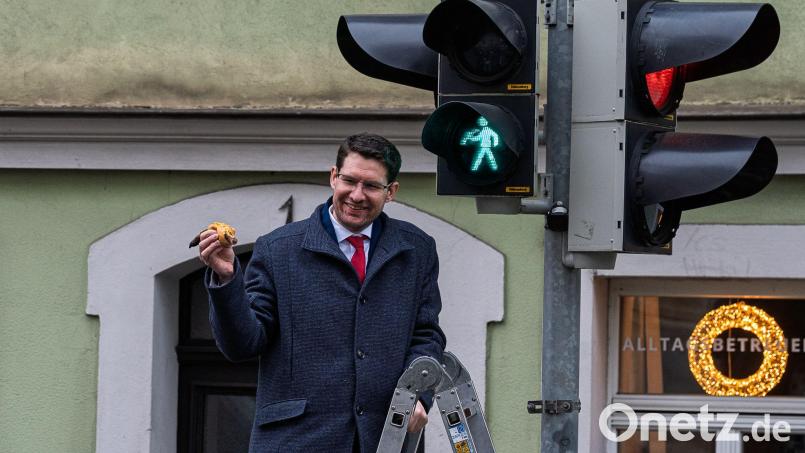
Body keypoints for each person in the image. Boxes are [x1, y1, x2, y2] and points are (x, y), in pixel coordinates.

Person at [198, 132, 446, 453]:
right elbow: (243, 345)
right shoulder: (278, 249)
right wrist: (227, 278)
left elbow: (426, 336)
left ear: (391, 192)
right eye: (349, 181)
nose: (357, 195)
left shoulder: (417, 249)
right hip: (296, 440)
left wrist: (417, 393)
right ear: (333, 177)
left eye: (371, 186)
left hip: (384, 438)